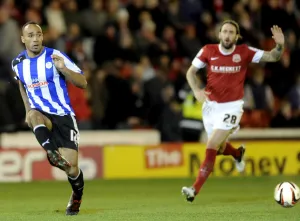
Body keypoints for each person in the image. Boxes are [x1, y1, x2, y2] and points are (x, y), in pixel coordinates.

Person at [181, 20, 284, 202]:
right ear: (219, 34)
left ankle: (194, 190)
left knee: (211, 145)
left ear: (237, 36)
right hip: (211, 107)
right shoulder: (207, 50)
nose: (228, 35)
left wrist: (280, 45)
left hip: (232, 107)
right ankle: (237, 154)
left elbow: (273, 57)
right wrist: (196, 90)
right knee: (219, 149)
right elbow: (190, 72)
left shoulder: (244, 52)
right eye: (225, 31)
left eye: (231, 32)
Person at [11, 21, 87, 215]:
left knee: (72, 170)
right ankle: (51, 152)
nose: (35, 39)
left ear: (42, 36)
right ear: (23, 39)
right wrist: (28, 109)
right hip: (41, 114)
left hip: (63, 115)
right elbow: (22, 85)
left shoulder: (55, 56)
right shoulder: (18, 63)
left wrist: (64, 69)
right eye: (30, 36)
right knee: (34, 116)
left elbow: (83, 82)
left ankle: (77, 195)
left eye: (38, 35)